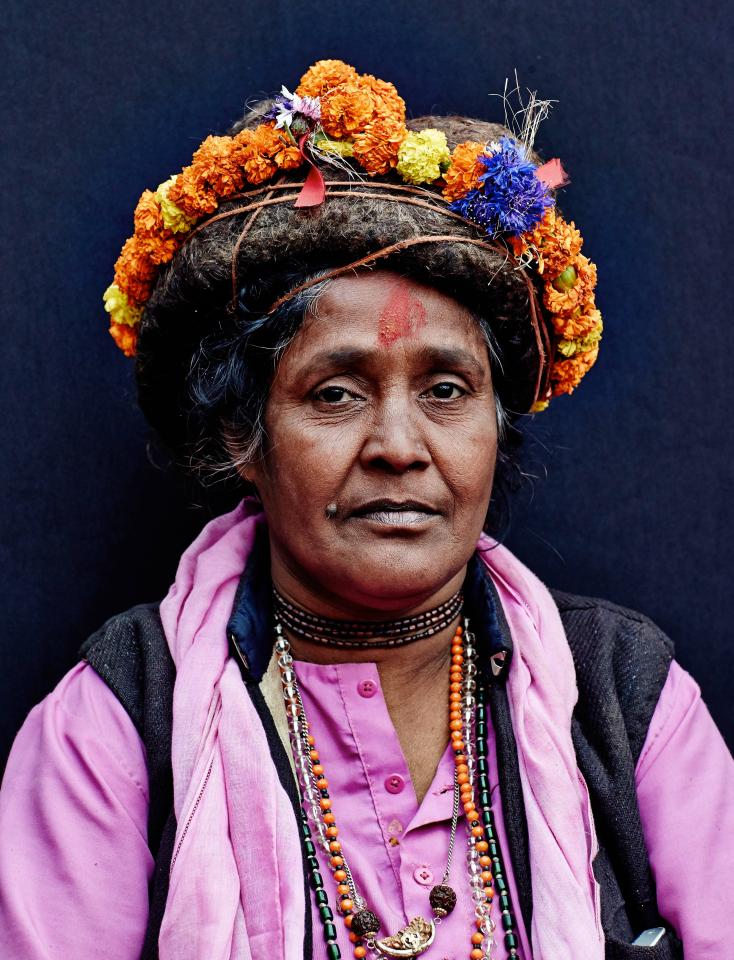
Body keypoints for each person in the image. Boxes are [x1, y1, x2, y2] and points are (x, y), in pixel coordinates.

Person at [0, 59, 731, 960]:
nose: (398, 444)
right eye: (336, 393)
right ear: (244, 436)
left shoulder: (627, 703)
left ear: (495, 435)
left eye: (448, 391)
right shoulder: (114, 729)